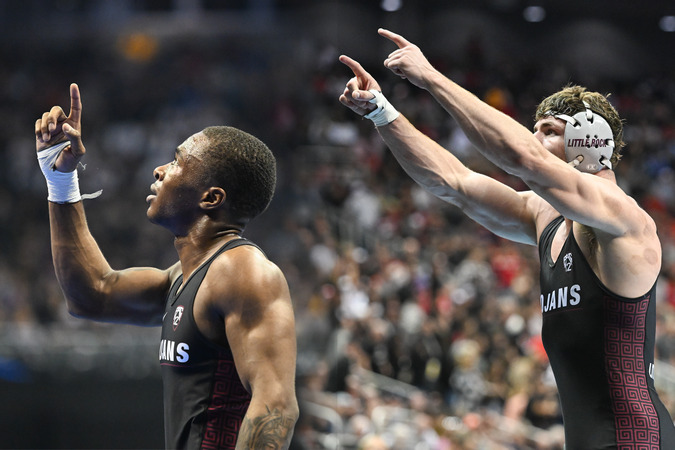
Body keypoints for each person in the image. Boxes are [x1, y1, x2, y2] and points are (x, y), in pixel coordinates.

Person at [338, 28, 675, 449]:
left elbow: (521, 158)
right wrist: (382, 112)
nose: (534, 140)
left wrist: (431, 78)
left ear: (591, 141)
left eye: (548, 131)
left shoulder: (624, 218)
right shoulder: (543, 216)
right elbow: (453, 182)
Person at [35, 83, 299, 449]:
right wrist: (60, 179)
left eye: (176, 162)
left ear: (211, 198)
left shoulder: (244, 272)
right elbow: (92, 294)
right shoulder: (185, 277)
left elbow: (276, 406)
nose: (160, 170)